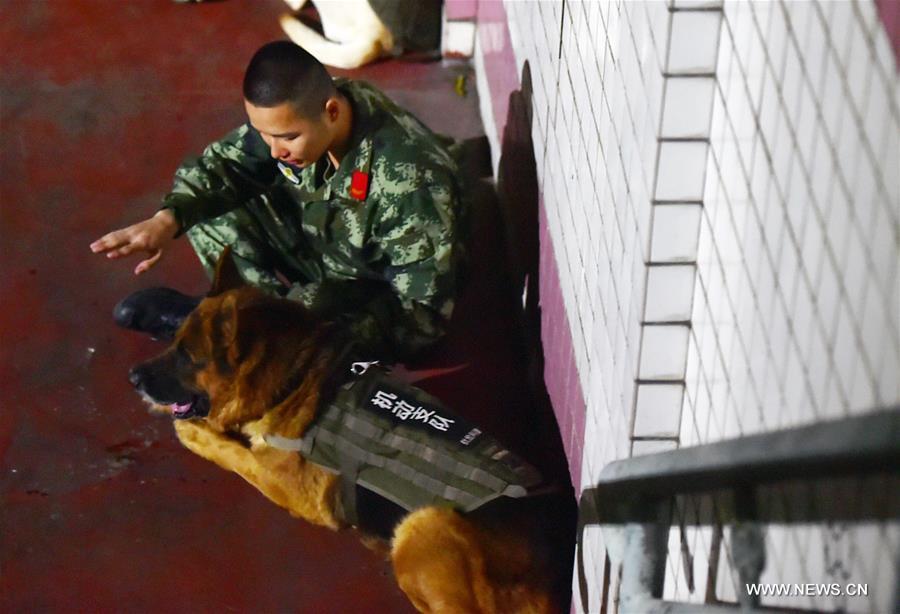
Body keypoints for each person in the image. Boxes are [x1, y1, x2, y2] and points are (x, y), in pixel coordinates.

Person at [90, 41, 466, 361]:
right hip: (324, 242)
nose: (274, 151)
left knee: (312, 304)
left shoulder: (410, 182)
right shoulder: (310, 109)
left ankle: (248, 336)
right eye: (264, 134)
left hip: (370, 288)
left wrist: (298, 327)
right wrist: (166, 221)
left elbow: (421, 317)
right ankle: (243, 325)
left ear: (331, 112)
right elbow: (224, 165)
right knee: (206, 211)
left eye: (286, 137)